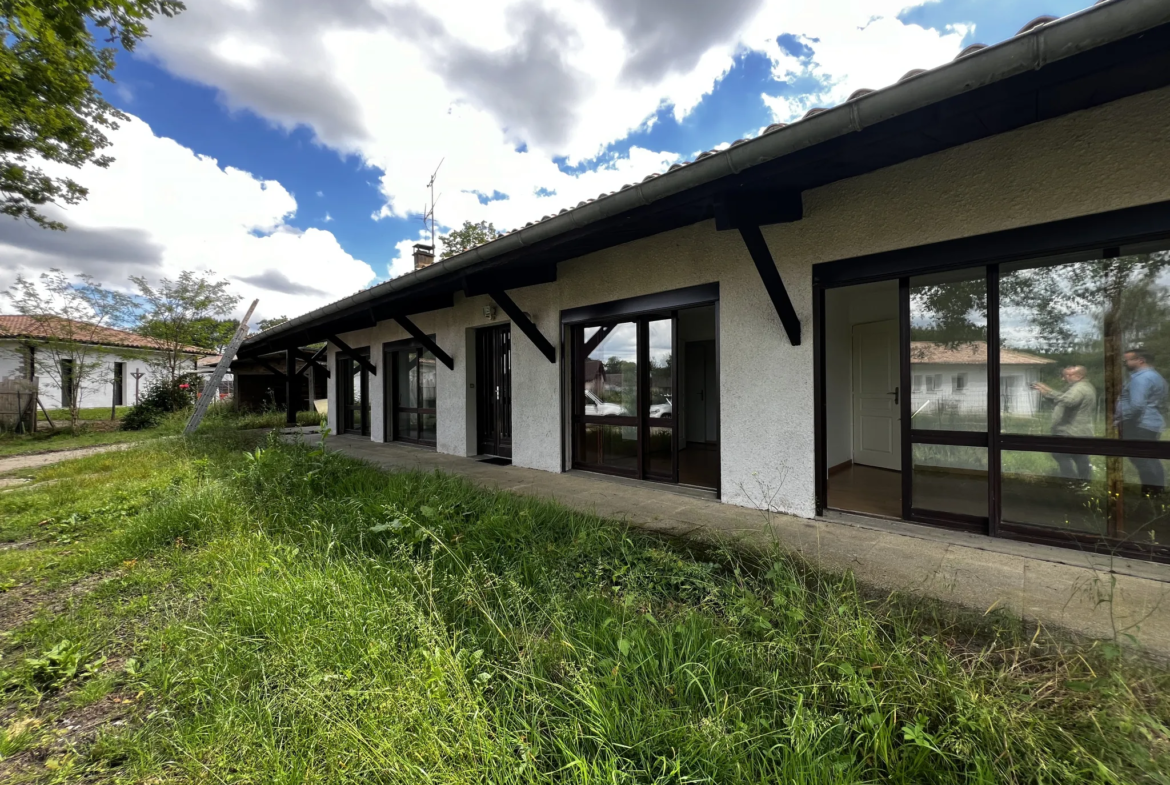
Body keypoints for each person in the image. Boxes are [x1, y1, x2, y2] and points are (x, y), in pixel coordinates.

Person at [1115, 348, 1168, 495]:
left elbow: (1137, 405)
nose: (1124, 363)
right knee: (1150, 459)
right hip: (1150, 423)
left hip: (1139, 425)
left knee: (1143, 460)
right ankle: (1157, 492)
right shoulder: (1155, 376)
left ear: (1140, 360)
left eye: (1127, 360)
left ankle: (1151, 493)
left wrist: (1125, 420)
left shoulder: (1141, 379)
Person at [1033, 365, 1096, 482]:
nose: (1063, 379)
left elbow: (1068, 401)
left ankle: (1071, 481)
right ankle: (1084, 482)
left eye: (1067, 375)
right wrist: (1045, 393)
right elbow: (1062, 401)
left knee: (1061, 455)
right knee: (1080, 457)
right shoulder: (1079, 387)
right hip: (1075, 430)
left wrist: (1049, 391)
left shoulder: (1079, 388)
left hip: (1071, 431)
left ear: (1079, 376)